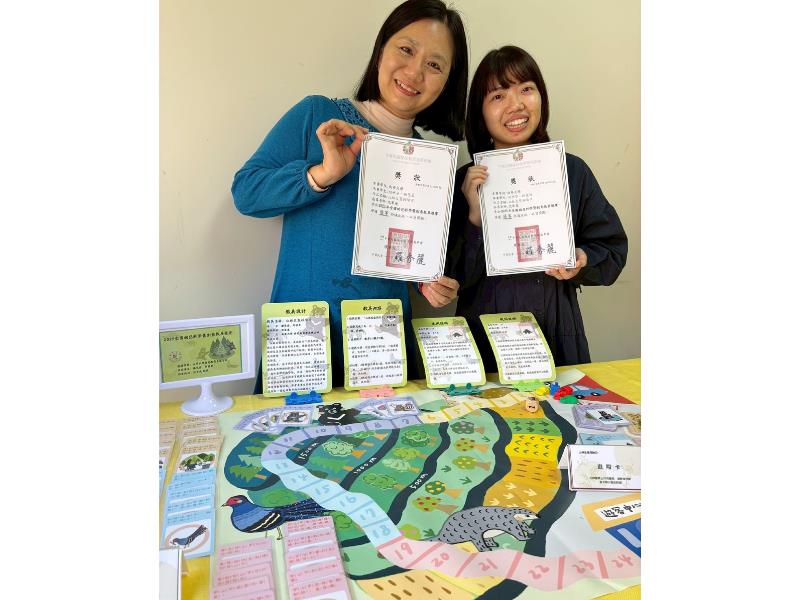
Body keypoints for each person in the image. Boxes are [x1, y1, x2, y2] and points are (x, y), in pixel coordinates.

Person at [232, 0, 467, 390]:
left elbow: (411, 257)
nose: (414, 72)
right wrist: (321, 175)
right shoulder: (319, 116)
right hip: (303, 341)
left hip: (382, 346)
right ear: (381, 49)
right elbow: (246, 192)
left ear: (447, 82)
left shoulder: (431, 161)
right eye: (406, 49)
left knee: (390, 431)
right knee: (290, 431)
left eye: (434, 65)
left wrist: (429, 284)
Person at [446, 46, 627, 370]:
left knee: (564, 401)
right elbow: (450, 279)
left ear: (541, 97)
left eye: (526, 89)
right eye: (498, 95)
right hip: (483, 339)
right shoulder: (464, 182)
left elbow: (612, 250)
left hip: (557, 332)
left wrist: (582, 259)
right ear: (480, 112)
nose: (516, 104)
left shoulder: (572, 172)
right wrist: (474, 216)